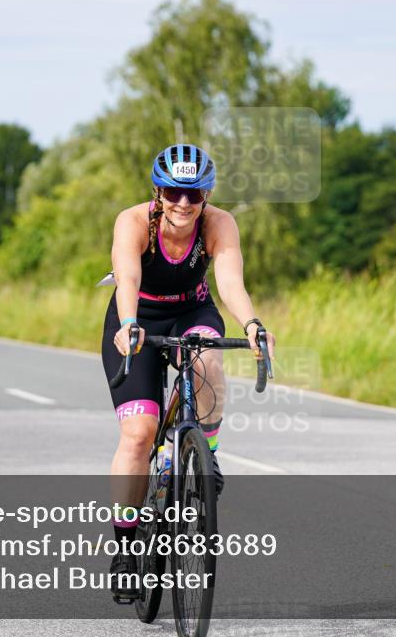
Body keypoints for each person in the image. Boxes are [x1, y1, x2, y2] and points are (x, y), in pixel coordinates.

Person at [100, 143, 276, 597]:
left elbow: (230, 281)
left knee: (208, 362)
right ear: (157, 192)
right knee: (139, 434)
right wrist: (128, 324)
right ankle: (125, 549)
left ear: (206, 195)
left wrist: (252, 324)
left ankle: (206, 451)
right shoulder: (133, 222)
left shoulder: (219, 224)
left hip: (191, 312)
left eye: (193, 194)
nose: (182, 203)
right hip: (137, 317)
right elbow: (128, 278)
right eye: (172, 193)